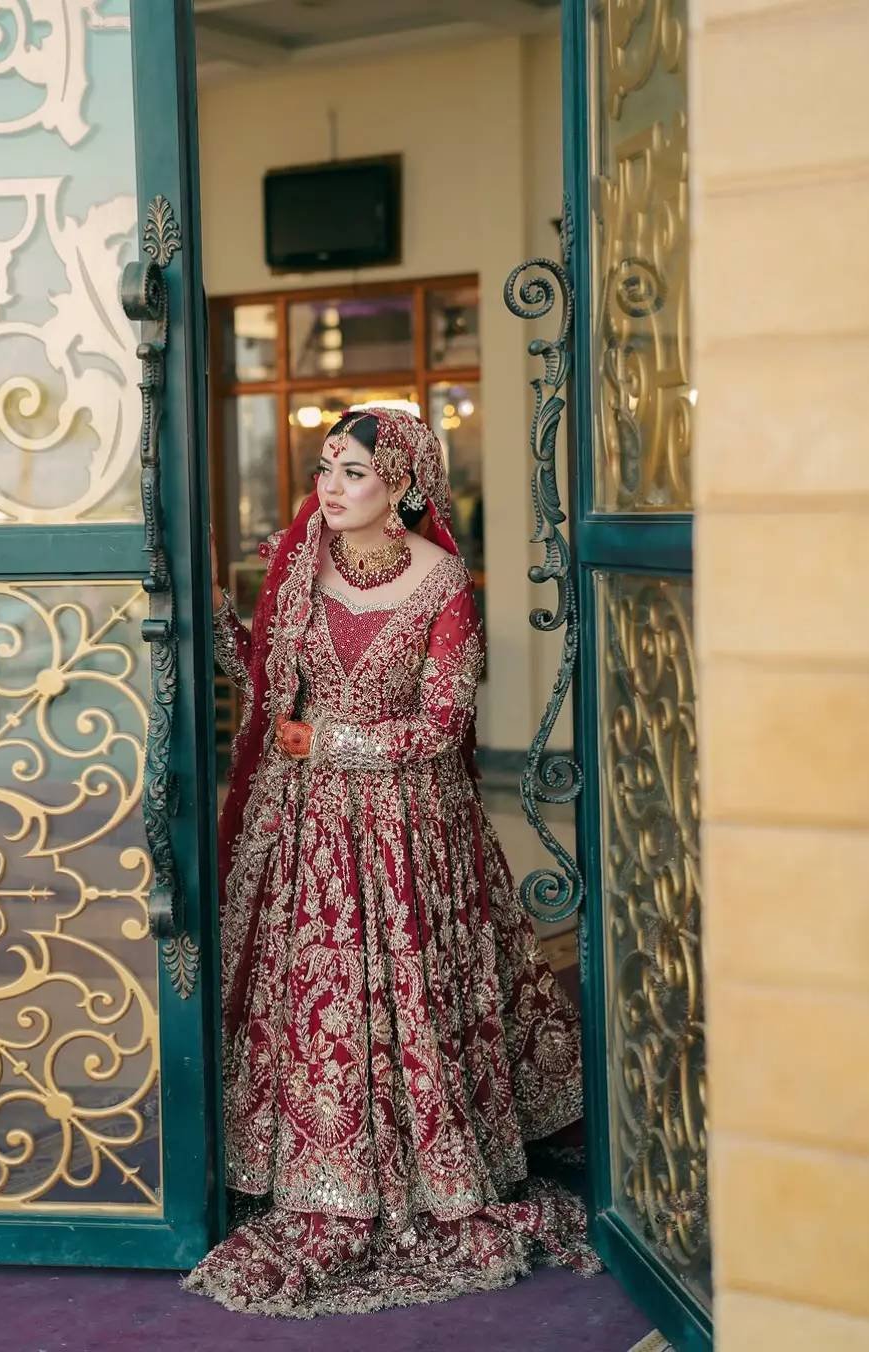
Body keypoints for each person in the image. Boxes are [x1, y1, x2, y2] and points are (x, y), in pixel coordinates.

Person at [185, 407, 597, 1317]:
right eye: (325, 468)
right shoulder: (297, 562)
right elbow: (264, 687)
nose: (330, 488)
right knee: (316, 991)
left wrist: (325, 742)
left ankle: (423, 1166)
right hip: (304, 826)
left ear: (402, 485)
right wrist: (210, 609)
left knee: (405, 988)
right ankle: (307, 1167)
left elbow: (443, 724)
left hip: (410, 825)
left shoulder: (442, 581)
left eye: (353, 472)